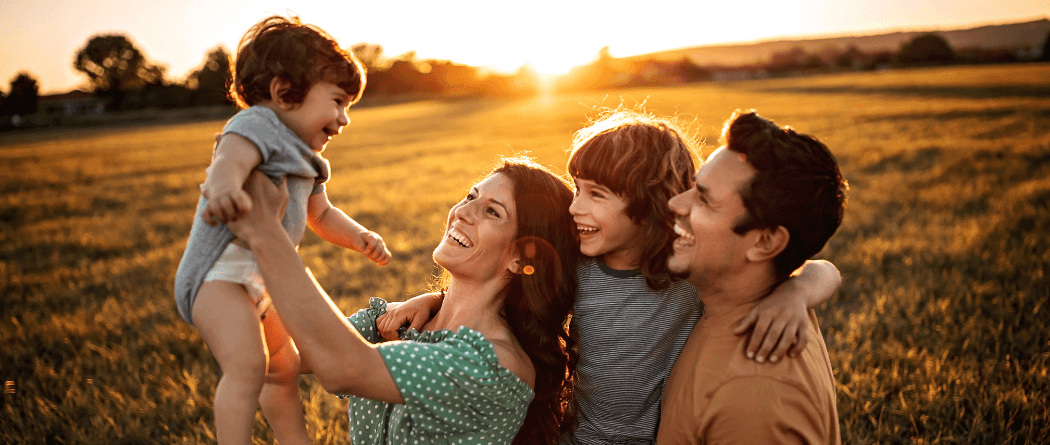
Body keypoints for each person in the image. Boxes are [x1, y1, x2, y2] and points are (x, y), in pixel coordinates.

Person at [381, 109, 842, 444]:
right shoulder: (580, 264)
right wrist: (434, 302)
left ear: (650, 206)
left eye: (596, 194)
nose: (574, 207)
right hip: (577, 435)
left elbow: (816, 267)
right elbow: (500, 287)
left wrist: (797, 291)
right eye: (577, 189)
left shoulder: (682, 272)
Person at [226, 158, 579, 444]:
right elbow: (282, 357)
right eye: (471, 197)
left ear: (519, 257)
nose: (463, 212)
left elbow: (341, 367)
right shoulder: (403, 322)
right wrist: (249, 278)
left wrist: (269, 237)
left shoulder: (496, 364)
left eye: (492, 212)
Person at [173, 16, 391, 444]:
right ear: (283, 93)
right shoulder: (256, 125)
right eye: (337, 101)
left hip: (262, 278)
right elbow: (227, 163)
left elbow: (321, 215)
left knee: (283, 368)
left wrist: (359, 236)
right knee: (248, 365)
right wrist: (224, 193)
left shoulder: (310, 160)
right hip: (217, 277)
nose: (344, 119)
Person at [657, 110, 847, 444]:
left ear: (765, 242)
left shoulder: (753, 396)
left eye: (704, 199)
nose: (675, 203)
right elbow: (824, 269)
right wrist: (800, 289)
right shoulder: (758, 302)